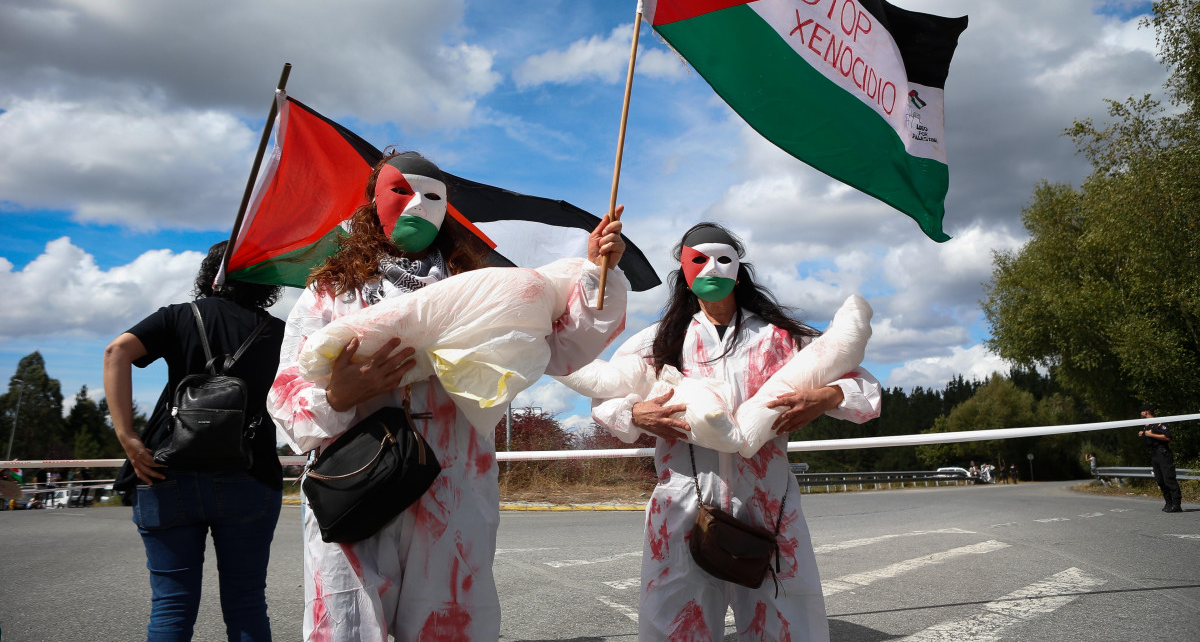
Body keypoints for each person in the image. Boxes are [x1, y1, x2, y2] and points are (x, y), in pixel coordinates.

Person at [267, 150, 629, 642]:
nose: (416, 203)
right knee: (348, 628)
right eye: (400, 190)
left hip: (453, 488)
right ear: (373, 201)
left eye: (431, 195)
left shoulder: (482, 293)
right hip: (355, 482)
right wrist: (338, 395)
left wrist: (594, 272)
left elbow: (562, 348)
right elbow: (287, 399)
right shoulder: (332, 293)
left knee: (452, 625)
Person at [588, 223, 881, 641]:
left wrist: (829, 397)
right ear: (685, 274)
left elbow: (866, 387)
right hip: (683, 506)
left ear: (739, 271)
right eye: (699, 260)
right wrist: (635, 414)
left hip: (769, 506)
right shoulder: (658, 343)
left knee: (788, 624)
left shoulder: (780, 339)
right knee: (673, 624)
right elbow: (602, 397)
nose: (712, 269)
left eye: (723, 259)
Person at [103, 241, 286, 641]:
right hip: (249, 473)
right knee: (247, 604)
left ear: (211, 274)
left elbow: (117, 351)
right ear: (265, 280)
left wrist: (128, 437)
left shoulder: (179, 317)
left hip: (164, 470)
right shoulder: (279, 333)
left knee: (171, 605)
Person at [1138, 405, 1182, 513]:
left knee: (1169, 479)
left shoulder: (1158, 423)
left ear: (1146, 412)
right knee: (1160, 480)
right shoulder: (1147, 425)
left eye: (1141, 411)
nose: (1140, 413)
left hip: (1163, 453)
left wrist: (1151, 435)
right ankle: (1169, 502)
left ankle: (1177, 504)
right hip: (1154, 455)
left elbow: (1168, 437)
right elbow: (1149, 436)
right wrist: (1143, 434)